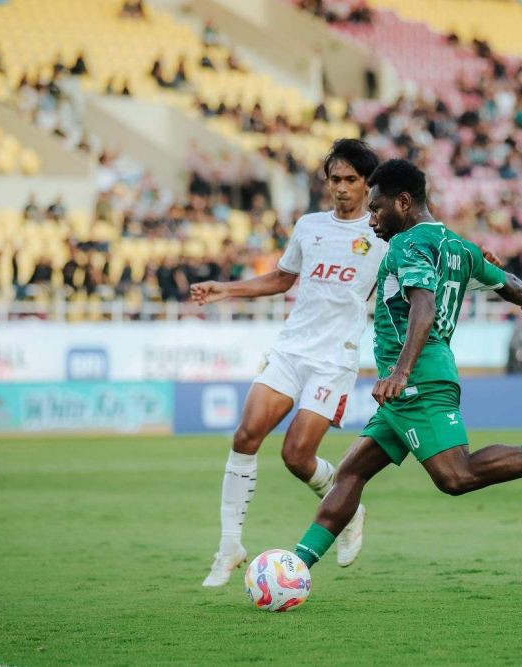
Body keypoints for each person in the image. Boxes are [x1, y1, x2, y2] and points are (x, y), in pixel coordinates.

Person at [289, 160, 522, 571]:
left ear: (404, 201)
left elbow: (424, 305)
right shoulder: (460, 247)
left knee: (457, 476)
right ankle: (293, 568)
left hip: (416, 378)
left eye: (377, 208)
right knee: (349, 473)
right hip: (410, 386)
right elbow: (508, 282)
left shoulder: (408, 244)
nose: (371, 218)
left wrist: (400, 372)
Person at [190, 139, 385, 586]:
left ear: (367, 184)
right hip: (291, 349)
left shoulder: (382, 237)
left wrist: (480, 271)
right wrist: (226, 288)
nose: (340, 188)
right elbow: (282, 278)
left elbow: (423, 270)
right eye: (334, 179)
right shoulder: (310, 226)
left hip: (335, 360)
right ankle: (229, 545)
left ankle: (349, 506)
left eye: (350, 180)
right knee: (245, 434)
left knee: (297, 455)